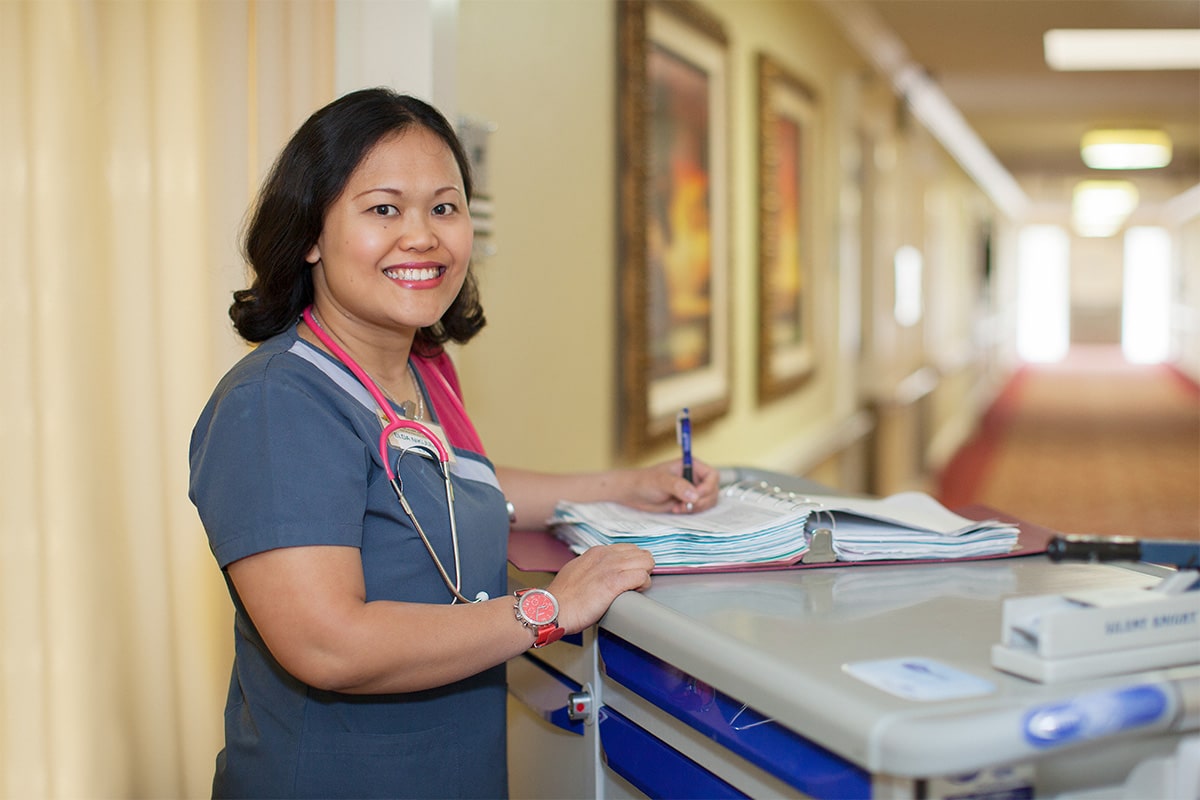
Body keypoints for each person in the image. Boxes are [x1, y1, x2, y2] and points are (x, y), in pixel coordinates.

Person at [188, 87, 720, 799]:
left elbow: (463, 487)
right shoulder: (274, 405)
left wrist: (626, 485)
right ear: (311, 233)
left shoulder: (424, 370)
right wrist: (547, 609)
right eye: (384, 209)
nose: (424, 236)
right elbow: (327, 642)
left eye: (445, 207)